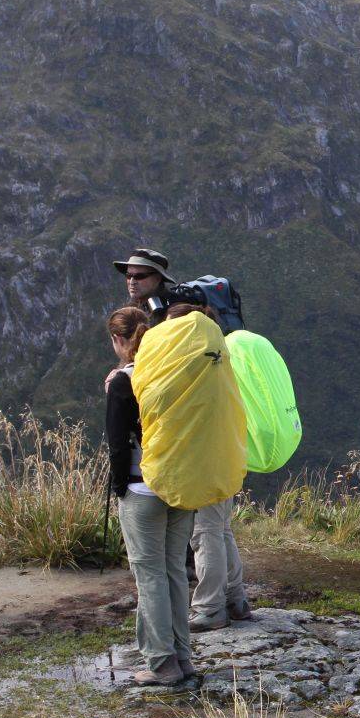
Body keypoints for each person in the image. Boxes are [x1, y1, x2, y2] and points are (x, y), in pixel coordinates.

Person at [106, 305, 194, 686]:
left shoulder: (124, 381)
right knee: (175, 570)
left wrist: (118, 486)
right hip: (181, 484)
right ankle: (183, 656)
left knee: (150, 574)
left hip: (142, 486)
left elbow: (116, 444)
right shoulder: (178, 373)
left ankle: (161, 663)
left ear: (119, 341)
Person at [165, 303, 253, 632]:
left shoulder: (195, 369)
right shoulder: (219, 362)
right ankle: (236, 599)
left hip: (204, 461)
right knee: (221, 529)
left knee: (205, 534)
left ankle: (209, 607)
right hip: (227, 457)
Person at [112, 247, 175, 324]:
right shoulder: (129, 313)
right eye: (128, 275)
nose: (132, 282)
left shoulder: (174, 311)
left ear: (157, 279)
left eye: (139, 276)